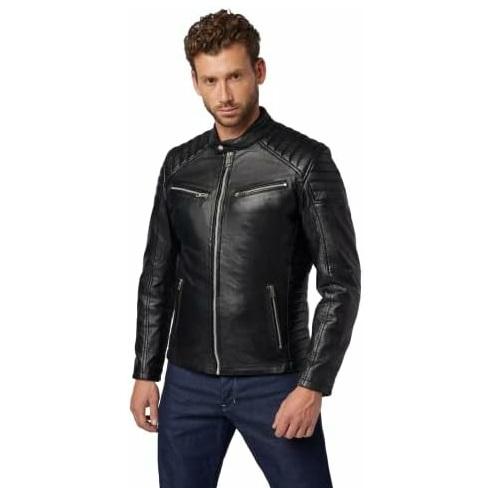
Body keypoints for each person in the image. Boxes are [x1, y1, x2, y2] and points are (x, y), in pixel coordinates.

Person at [130, 8, 361, 487]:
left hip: (276, 380)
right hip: (188, 381)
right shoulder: (179, 165)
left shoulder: (304, 162)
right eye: (211, 80)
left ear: (259, 70)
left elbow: (340, 284)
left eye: (235, 76)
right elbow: (157, 276)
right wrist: (145, 371)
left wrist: (313, 384)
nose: (225, 95)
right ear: (194, 81)